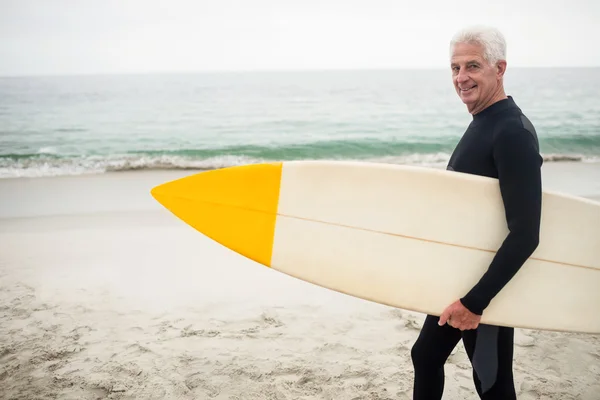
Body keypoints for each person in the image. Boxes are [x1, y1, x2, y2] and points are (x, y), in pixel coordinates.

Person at [410, 26, 543, 399]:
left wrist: (474, 303)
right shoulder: (486, 122)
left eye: (472, 66)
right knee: (426, 356)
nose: (461, 77)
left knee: (492, 381)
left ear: (499, 69)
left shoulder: (511, 132)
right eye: (454, 68)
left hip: (485, 288)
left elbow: (526, 233)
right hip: (463, 278)